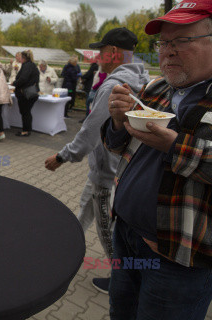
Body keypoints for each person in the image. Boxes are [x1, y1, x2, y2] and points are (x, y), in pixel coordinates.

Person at [103, 3, 212, 318]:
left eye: (182, 41)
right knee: (121, 312)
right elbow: (116, 144)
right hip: (126, 235)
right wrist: (116, 120)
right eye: (164, 43)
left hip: (179, 257)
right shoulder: (157, 88)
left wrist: (176, 146)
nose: (169, 52)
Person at [46, 27, 149, 295]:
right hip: (107, 169)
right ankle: (66, 251)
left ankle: (122, 281)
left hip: (108, 173)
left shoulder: (113, 86)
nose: (97, 56)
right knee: (85, 208)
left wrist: (62, 156)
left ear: (113, 53)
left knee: (107, 230)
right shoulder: (139, 78)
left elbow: (90, 131)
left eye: (101, 51)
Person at [12, 50, 39, 137]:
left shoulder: (27, 66)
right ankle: (27, 129)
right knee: (26, 112)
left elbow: (23, 78)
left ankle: (26, 130)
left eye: (20, 57)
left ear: (24, 58)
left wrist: (14, 83)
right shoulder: (32, 65)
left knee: (25, 112)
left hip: (25, 93)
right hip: (30, 92)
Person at [79, 58, 99, 122]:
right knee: (90, 103)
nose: (90, 60)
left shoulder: (94, 66)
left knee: (89, 103)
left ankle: (87, 118)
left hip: (91, 87)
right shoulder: (96, 66)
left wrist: (82, 77)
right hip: (92, 87)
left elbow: (88, 75)